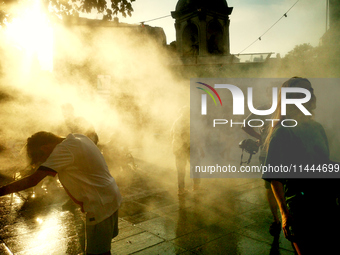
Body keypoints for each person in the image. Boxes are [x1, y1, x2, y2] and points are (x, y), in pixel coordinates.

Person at [0, 131, 122, 255]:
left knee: (97, 252)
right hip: (110, 195)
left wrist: (1, 191)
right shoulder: (78, 138)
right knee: (102, 247)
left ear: (44, 148)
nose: (45, 160)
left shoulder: (63, 150)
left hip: (99, 204)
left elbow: (32, 180)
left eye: (41, 157)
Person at [263, 77, 340, 254]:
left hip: (326, 204)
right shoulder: (283, 131)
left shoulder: (317, 127)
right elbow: (274, 177)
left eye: (311, 91)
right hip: (302, 209)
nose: (312, 96)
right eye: (305, 92)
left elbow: (323, 162)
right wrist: (284, 213)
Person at [242, 97, 281, 236]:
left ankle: (277, 219)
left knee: (270, 186)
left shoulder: (265, 107)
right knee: (275, 185)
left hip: (268, 151)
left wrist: (261, 136)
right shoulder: (289, 108)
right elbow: (245, 124)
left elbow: (245, 125)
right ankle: (281, 217)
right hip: (276, 151)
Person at [171, 106, 204, 195]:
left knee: (182, 169)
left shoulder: (179, 121)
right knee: (191, 166)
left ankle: (182, 189)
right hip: (184, 147)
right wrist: (198, 149)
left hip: (180, 147)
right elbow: (189, 136)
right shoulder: (183, 122)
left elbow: (172, 134)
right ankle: (194, 187)